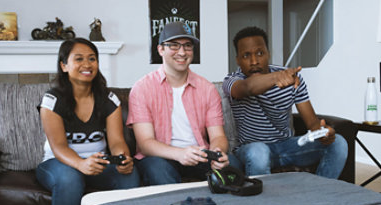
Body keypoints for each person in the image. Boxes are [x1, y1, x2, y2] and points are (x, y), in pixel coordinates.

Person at [36, 38, 140, 205]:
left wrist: (122, 159)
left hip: (98, 162)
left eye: (92, 59)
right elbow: (58, 147)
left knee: (129, 175)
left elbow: (117, 140)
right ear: (64, 65)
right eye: (79, 59)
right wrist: (80, 164)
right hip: (59, 163)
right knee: (70, 178)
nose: (87, 64)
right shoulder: (52, 100)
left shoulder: (109, 99)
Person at [222, 26, 347, 179]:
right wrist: (276, 78)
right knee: (259, 152)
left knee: (338, 144)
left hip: (287, 146)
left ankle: (320, 197)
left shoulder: (292, 78)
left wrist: (323, 132)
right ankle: (265, 203)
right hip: (251, 150)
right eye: (246, 55)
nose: (254, 61)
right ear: (238, 60)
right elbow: (248, 88)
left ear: (268, 53)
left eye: (260, 53)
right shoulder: (232, 80)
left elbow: (312, 124)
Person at [127, 21, 241, 185]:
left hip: (199, 155)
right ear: (161, 49)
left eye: (187, 46)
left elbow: (218, 136)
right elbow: (145, 144)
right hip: (159, 157)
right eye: (174, 45)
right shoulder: (141, 89)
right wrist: (179, 154)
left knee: (233, 165)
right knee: (158, 170)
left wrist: (217, 151)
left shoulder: (207, 89)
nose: (182, 52)